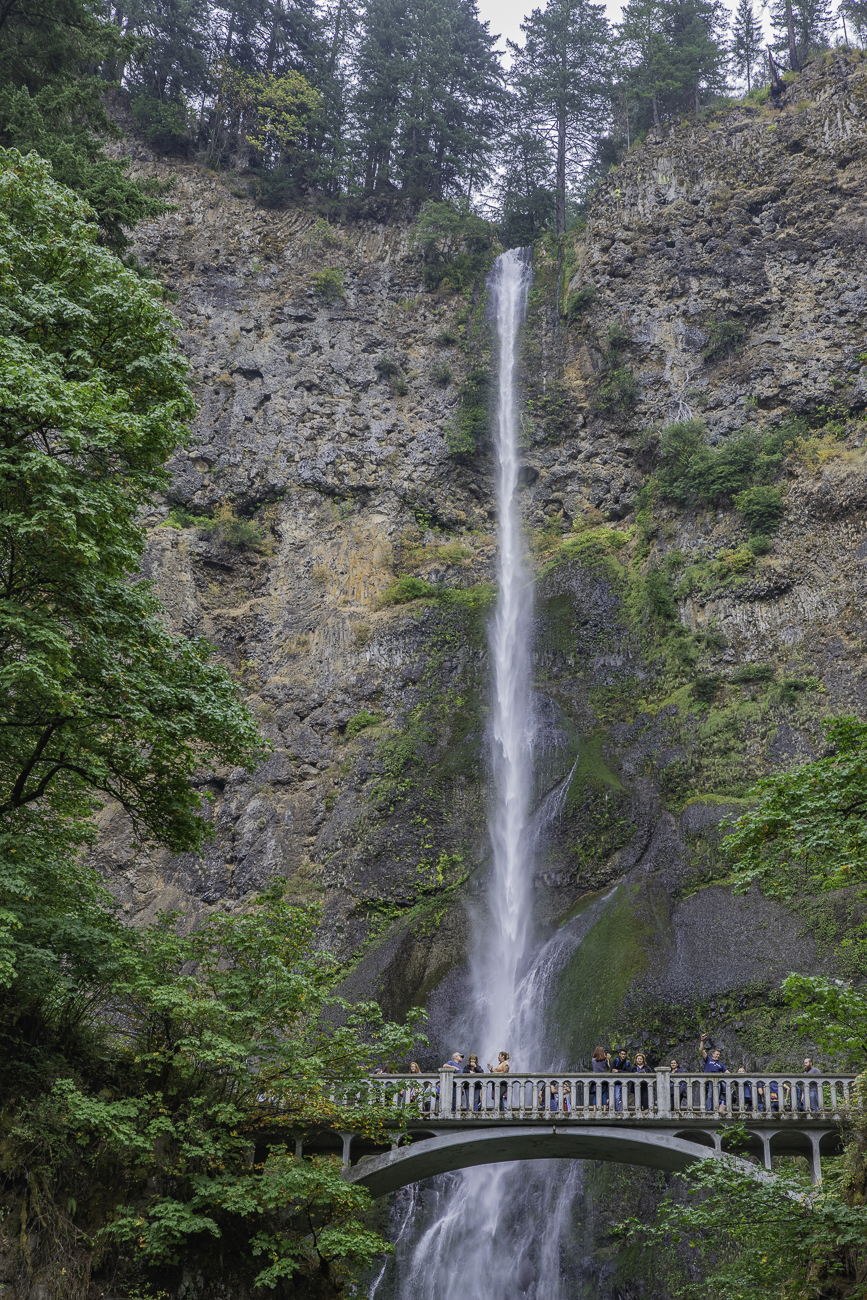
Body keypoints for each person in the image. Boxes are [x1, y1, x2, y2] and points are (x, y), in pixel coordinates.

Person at [700, 1033, 729, 1113]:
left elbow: (727, 1072)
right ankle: (708, 1110)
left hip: (717, 1082)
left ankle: (715, 1109)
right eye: (717, 1054)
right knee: (709, 1096)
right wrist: (702, 1040)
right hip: (708, 1081)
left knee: (716, 1095)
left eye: (719, 1055)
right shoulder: (708, 1060)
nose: (718, 1056)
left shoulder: (720, 1064)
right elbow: (701, 1050)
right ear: (713, 1054)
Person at [612, 1048, 633, 1113]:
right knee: (616, 1097)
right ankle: (617, 1111)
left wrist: (618, 1071)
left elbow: (629, 1072)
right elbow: (612, 1071)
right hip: (616, 1083)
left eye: (624, 1054)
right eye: (622, 1054)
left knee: (624, 1097)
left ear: (626, 1055)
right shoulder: (615, 1061)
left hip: (625, 1083)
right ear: (619, 1054)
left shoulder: (627, 1063)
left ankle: (622, 1110)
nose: (623, 1055)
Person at [590, 1046, 610, 1111]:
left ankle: (595, 1110)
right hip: (603, 1080)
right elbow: (608, 1067)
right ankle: (604, 1110)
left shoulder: (593, 1060)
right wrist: (608, 1059)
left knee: (595, 1096)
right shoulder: (604, 1060)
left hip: (595, 1080)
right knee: (604, 1095)